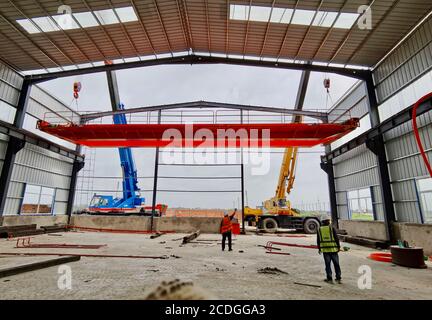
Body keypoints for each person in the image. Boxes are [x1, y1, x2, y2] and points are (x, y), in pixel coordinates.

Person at [317, 217, 342, 284]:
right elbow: (336, 238)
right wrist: (338, 247)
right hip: (333, 249)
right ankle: (338, 278)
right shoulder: (331, 228)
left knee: (327, 264)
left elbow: (318, 240)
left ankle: (329, 278)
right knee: (336, 264)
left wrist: (319, 249)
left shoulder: (319, 229)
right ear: (328, 222)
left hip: (325, 250)